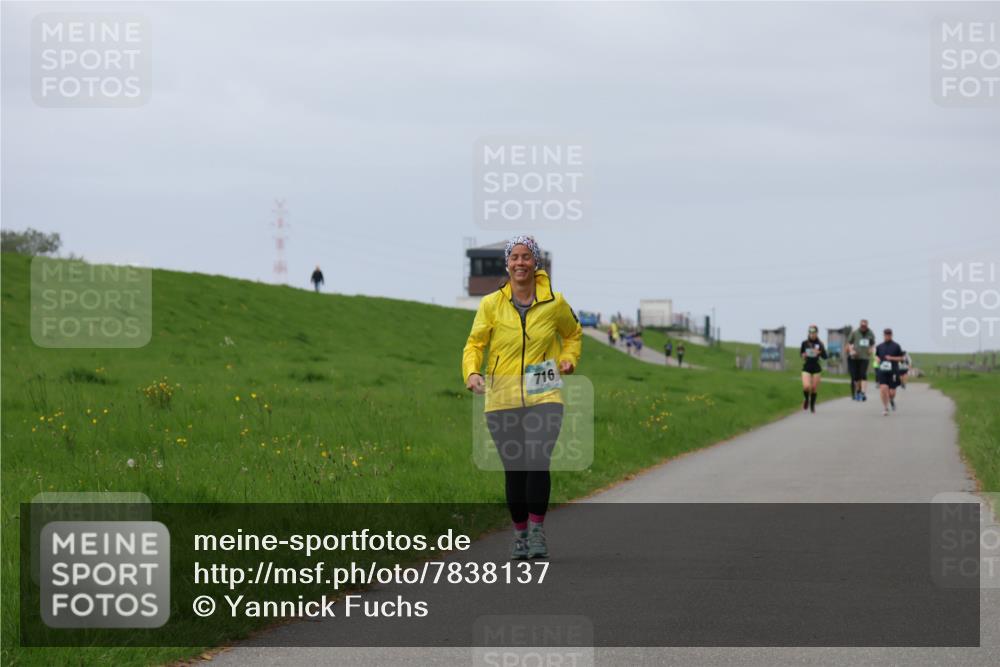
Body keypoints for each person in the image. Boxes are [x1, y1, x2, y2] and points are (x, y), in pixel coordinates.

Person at [462, 235, 582, 560]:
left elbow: (572, 333)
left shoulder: (555, 302)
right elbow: (475, 344)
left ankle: (537, 532)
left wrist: (568, 359)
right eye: (514, 257)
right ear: (507, 263)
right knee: (515, 469)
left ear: (535, 262)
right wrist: (471, 372)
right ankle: (519, 536)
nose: (520, 262)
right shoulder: (491, 304)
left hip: (545, 392)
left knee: (538, 460)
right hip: (502, 396)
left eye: (526, 256)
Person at [874, 328, 905, 416]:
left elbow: (901, 358)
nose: (887, 336)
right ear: (883, 335)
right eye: (886, 335)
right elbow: (876, 356)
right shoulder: (879, 346)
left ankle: (891, 399)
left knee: (892, 392)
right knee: (883, 388)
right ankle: (885, 408)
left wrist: (891, 358)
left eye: (889, 335)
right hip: (882, 371)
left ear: (891, 335)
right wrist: (877, 359)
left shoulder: (896, 346)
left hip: (893, 371)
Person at [799, 325, 828, 413]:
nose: (812, 334)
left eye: (814, 332)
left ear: (817, 333)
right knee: (806, 386)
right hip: (807, 367)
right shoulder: (804, 343)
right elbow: (801, 354)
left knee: (814, 388)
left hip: (816, 367)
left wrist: (820, 352)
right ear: (809, 333)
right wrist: (803, 355)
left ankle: (812, 405)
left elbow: (825, 357)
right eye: (810, 332)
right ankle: (806, 399)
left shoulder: (820, 343)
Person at [846, 319, 876, 402]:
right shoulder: (855, 332)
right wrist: (852, 350)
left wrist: (871, 349)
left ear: (867, 326)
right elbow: (849, 343)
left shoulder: (870, 333)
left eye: (864, 326)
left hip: (865, 357)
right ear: (860, 325)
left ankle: (863, 393)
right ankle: (858, 391)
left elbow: (873, 344)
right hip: (855, 357)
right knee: (856, 377)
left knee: (863, 374)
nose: (863, 327)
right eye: (862, 326)